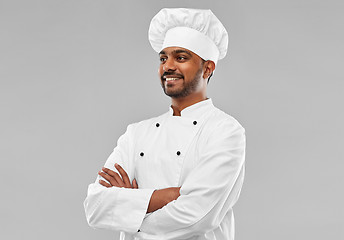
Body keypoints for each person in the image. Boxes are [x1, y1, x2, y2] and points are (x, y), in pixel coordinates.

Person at [84, 8, 246, 240]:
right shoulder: (136, 133)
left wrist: (131, 209)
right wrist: (169, 195)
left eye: (180, 58)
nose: (167, 66)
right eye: (163, 58)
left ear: (208, 68)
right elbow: (95, 206)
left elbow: (198, 217)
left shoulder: (226, 131)